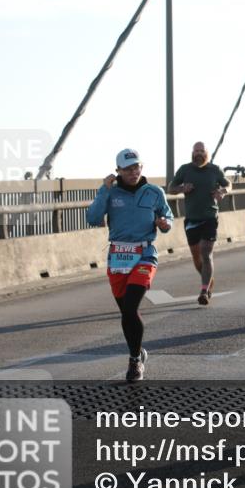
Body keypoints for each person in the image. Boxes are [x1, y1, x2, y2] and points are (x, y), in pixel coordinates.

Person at [86, 148, 173, 383]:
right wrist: (104, 190)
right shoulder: (110, 193)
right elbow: (93, 218)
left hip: (145, 253)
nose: (133, 172)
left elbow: (168, 218)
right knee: (126, 312)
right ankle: (139, 351)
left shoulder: (154, 192)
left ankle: (134, 361)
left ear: (141, 167)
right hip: (118, 256)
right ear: (118, 172)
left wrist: (164, 223)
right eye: (127, 169)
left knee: (132, 305)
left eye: (137, 167)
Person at [168, 142, 230, 305]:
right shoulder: (185, 169)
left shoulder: (214, 170)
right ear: (192, 153)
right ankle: (208, 280)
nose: (199, 153)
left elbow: (228, 184)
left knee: (206, 252)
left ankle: (203, 290)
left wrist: (222, 191)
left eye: (202, 151)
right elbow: (171, 188)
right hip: (191, 219)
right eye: (196, 151)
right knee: (197, 256)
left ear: (207, 153)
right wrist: (182, 189)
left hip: (210, 217)